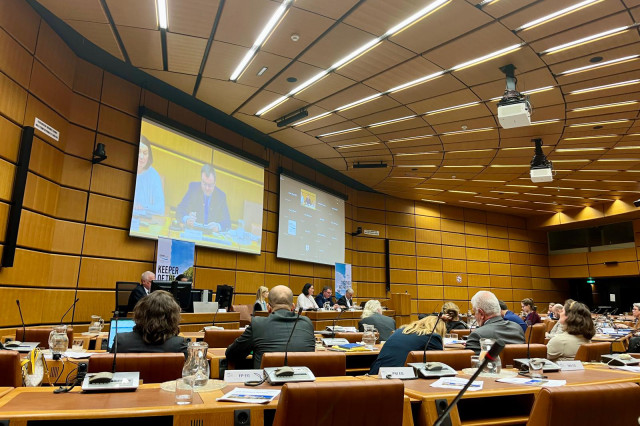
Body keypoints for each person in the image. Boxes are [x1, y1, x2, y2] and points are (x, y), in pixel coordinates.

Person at [226, 285, 315, 368]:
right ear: (293, 307)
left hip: (265, 383)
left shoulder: (258, 323)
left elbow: (232, 355)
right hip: (302, 383)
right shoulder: (307, 323)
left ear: (268, 308)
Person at [114, 290, 188, 356]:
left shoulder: (121, 341)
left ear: (140, 313)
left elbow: (109, 369)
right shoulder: (178, 345)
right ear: (172, 318)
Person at [369, 315, 446, 375]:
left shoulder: (399, 331)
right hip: (398, 376)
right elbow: (439, 363)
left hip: (376, 372)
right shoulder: (432, 337)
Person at [176, 164, 231, 233]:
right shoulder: (193, 188)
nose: (207, 188)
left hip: (211, 237)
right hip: (194, 233)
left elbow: (227, 222)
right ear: (201, 180)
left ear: (215, 183)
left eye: (210, 185)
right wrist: (187, 219)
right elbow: (180, 210)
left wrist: (218, 227)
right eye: (204, 184)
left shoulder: (221, 196)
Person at [133, 136, 165, 216]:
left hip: (145, 221)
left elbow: (160, 208)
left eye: (145, 153)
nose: (141, 157)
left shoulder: (154, 175)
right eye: (139, 152)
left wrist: (143, 207)